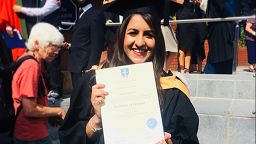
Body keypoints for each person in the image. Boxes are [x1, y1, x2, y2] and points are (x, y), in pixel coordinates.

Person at [59, 0, 199, 143]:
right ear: (121, 36)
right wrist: (96, 120)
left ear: (157, 40)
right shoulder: (94, 83)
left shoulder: (173, 91)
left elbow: (188, 139)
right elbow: (69, 137)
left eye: (149, 35)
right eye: (133, 33)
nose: (140, 42)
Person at [12, 22, 66, 143]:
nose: (57, 51)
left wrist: (48, 114)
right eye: (53, 46)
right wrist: (58, 111)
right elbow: (30, 109)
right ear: (37, 43)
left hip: (32, 132)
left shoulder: (31, 61)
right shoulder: (31, 66)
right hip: (31, 135)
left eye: (58, 47)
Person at [13, 0, 64, 100]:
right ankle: (45, 88)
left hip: (51, 36)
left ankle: (56, 89)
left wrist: (21, 9)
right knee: (40, 62)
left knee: (52, 62)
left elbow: (42, 12)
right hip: (41, 36)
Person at [67, 0, 105, 90]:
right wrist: (70, 46)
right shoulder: (81, 13)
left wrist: (91, 69)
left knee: (83, 99)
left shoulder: (95, 15)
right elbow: (83, 39)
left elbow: (97, 44)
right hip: (76, 65)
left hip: (84, 67)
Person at [204, 0, 236, 74]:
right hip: (220, 27)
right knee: (219, 56)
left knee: (223, 56)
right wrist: (235, 16)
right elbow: (223, 7)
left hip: (222, 26)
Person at [176, 0, 204, 74]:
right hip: (183, 17)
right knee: (182, 46)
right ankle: (182, 69)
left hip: (192, 17)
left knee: (189, 46)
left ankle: (187, 69)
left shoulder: (196, 9)